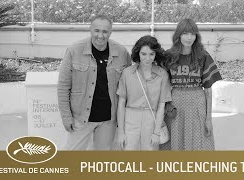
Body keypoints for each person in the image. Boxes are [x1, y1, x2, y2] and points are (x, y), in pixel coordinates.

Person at [57, 15, 132, 150]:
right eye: (97, 30)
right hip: (81, 118)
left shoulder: (121, 52)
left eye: (105, 31)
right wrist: (66, 118)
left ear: (110, 32)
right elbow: (63, 87)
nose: (100, 35)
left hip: (108, 120)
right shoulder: (74, 50)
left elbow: (128, 87)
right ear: (90, 29)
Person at [160, 18, 222, 150]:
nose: (189, 38)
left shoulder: (203, 56)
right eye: (185, 33)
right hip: (175, 106)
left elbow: (208, 91)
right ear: (178, 35)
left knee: (199, 143)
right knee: (175, 143)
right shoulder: (169, 56)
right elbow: (162, 85)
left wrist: (208, 119)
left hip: (197, 105)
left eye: (193, 34)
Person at [116, 35, 172, 150]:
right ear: (138, 53)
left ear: (156, 54)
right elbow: (121, 103)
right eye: (144, 54)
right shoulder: (127, 73)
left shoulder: (162, 75)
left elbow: (162, 105)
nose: (148, 58)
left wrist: (156, 133)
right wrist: (121, 132)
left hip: (152, 120)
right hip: (130, 119)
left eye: (151, 54)